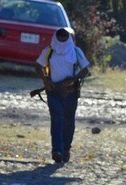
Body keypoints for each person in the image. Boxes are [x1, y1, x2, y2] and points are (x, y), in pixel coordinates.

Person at [35, 27, 90, 164]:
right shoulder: (49, 51)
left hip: (71, 92)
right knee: (57, 119)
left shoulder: (76, 52)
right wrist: (46, 81)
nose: (61, 42)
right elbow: (38, 65)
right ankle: (57, 151)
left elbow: (85, 70)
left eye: (64, 39)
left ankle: (66, 149)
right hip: (53, 91)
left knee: (68, 121)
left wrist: (73, 79)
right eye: (59, 39)